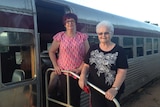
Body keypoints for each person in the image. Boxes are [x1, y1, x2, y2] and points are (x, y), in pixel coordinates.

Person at [78, 20, 128, 107]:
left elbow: (122, 71)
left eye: (106, 33)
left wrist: (114, 88)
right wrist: (82, 77)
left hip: (112, 91)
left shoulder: (120, 51)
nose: (103, 36)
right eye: (100, 33)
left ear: (112, 33)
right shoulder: (93, 48)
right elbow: (86, 65)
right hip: (95, 89)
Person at [49, 13, 90, 107]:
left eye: (72, 21)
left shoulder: (82, 37)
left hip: (77, 72)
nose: (70, 23)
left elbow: (88, 55)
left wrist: (80, 68)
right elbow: (51, 51)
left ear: (76, 23)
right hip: (63, 71)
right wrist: (55, 66)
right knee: (66, 97)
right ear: (64, 24)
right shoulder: (60, 36)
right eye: (67, 21)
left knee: (75, 98)